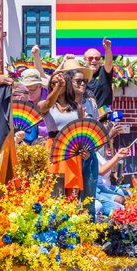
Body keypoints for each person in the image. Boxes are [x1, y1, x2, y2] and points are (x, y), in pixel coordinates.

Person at [39, 59, 100, 206]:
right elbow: (47, 103)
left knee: (72, 198)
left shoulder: (78, 108)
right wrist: (57, 88)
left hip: (72, 152)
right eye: (52, 83)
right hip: (54, 150)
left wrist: (84, 151)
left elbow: (80, 134)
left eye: (59, 83)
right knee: (54, 196)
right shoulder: (45, 105)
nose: (56, 85)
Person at [83, 38, 115, 110]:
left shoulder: (104, 71)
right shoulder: (81, 75)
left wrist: (107, 49)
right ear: (85, 60)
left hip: (103, 115)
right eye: (90, 58)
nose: (94, 61)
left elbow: (109, 63)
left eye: (97, 58)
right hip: (87, 114)